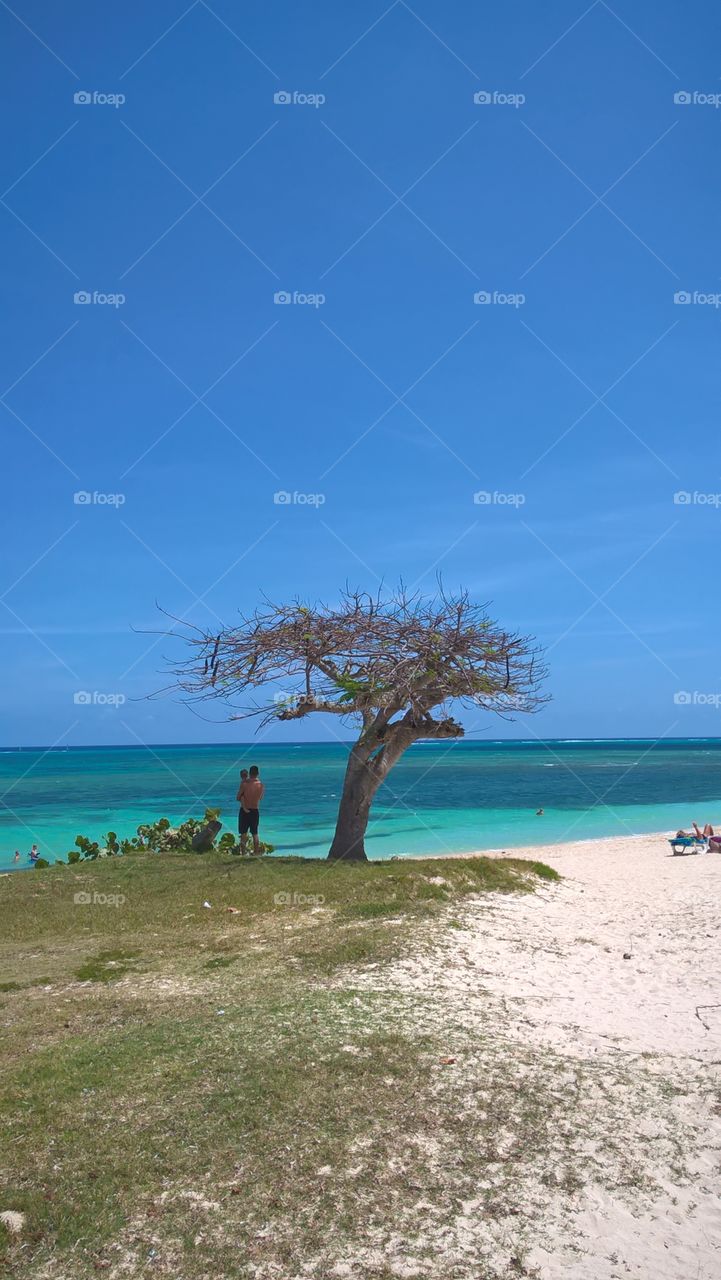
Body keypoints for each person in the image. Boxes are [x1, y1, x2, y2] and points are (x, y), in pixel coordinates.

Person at [238, 764, 264, 857]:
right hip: (255, 810)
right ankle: (256, 853)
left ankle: (243, 853)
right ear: (258, 773)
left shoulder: (245, 784)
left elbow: (238, 797)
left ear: (249, 773)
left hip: (244, 811)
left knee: (243, 834)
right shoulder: (261, 785)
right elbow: (260, 798)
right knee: (255, 833)